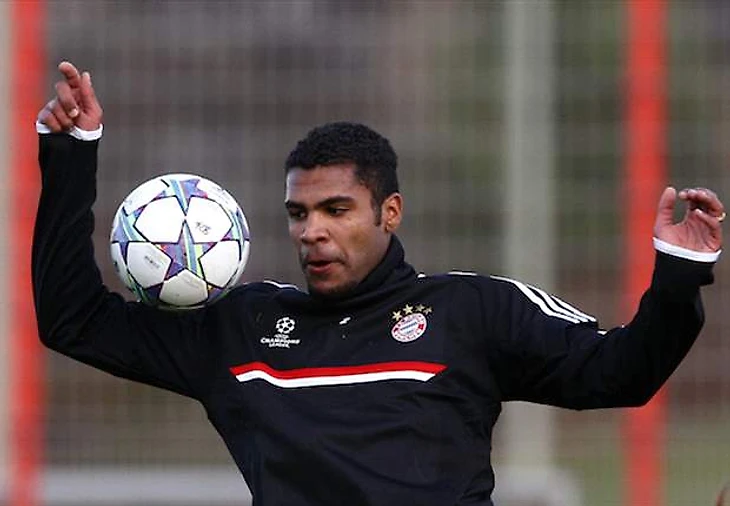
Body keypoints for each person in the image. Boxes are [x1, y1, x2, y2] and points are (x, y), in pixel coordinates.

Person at [34, 61, 724, 506]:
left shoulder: (471, 310)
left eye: (336, 210)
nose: (312, 231)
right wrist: (71, 155)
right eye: (299, 214)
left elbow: (620, 373)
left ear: (388, 213)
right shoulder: (241, 329)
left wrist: (677, 277)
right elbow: (73, 320)